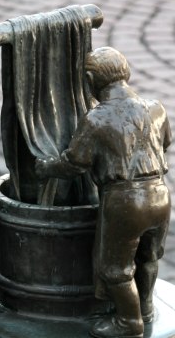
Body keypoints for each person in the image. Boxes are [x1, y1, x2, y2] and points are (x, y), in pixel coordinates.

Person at [36, 47, 171, 338]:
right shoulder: (156, 107)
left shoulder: (96, 120)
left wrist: (46, 167)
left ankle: (129, 322)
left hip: (125, 201)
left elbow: (74, 163)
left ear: (89, 80)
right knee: (148, 256)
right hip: (161, 193)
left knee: (115, 270)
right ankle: (145, 308)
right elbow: (166, 142)